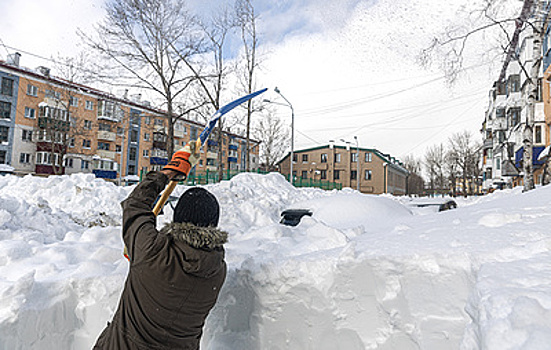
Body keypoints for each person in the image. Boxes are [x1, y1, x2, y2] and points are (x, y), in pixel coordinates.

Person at [93, 141, 228, 350]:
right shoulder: (216, 270)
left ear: (177, 218)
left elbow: (135, 205)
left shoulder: (152, 252)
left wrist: (168, 172)